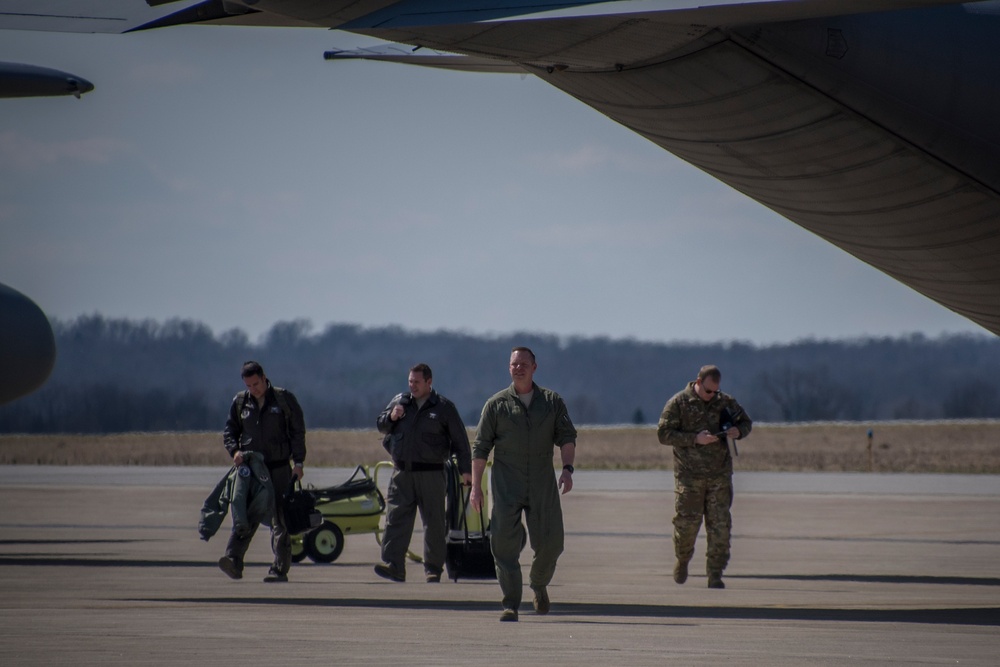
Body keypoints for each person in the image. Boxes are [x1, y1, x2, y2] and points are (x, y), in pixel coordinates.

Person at [471, 347, 577, 622]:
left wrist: (567, 469)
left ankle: (538, 584)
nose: (519, 368)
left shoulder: (552, 402)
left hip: (542, 480)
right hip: (507, 482)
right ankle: (511, 603)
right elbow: (480, 447)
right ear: (509, 368)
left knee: (552, 542)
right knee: (503, 544)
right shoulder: (496, 405)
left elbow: (567, 437)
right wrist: (475, 487)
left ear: (534, 367)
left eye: (524, 364)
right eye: (514, 364)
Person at [374, 363, 472, 583]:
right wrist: (392, 416)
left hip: (432, 474)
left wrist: (466, 471)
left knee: (434, 523)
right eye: (410, 381)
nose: (412, 386)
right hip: (402, 474)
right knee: (395, 520)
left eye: (417, 382)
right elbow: (381, 425)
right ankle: (394, 565)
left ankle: (433, 568)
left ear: (429, 382)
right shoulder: (400, 402)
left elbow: (460, 442)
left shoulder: (444, 408)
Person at [656, 364, 751, 589]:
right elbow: (663, 434)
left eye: (714, 392)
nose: (711, 396)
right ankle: (683, 558)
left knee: (720, 527)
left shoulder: (724, 402)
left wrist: (738, 432)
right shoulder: (678, 403)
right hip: (689, 477)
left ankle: (715, 573)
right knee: (686, 526)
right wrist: (694, 439)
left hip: (719, 475)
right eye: (708, 391)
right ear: (698, 382)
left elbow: (745, 422)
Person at [218, 360, 306, 583]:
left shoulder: (284, 400)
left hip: (278, 469)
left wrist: (299, 463)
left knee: (281, 521)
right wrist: (234, 450)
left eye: (256, 384)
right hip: (252, 471)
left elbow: (297, 432)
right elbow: (230, 430)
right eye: (249, 386)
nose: (253, 389)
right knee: (245, 515)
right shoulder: (240, 403)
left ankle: (279, 568)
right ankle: (234, 559)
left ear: (264, 377)